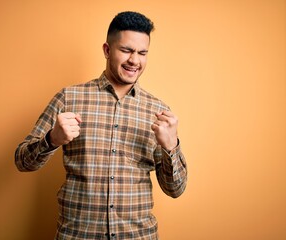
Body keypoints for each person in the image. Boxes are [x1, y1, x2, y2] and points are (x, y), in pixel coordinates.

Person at [15, 11, 187, 240]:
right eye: (126, 50)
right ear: (107, 50)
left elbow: (175, 189)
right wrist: (52, 139)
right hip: (78, 235)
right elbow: (22, 161)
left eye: (142, 53)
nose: (134, 60)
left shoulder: (157, 111)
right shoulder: (69, 98)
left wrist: (170, 147)